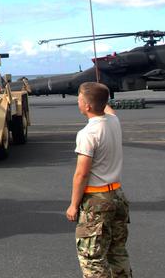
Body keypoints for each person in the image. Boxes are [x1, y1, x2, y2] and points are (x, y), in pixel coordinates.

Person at [66, 81, 132, 278]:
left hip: (97, 200)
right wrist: (102, 91)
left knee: (92, 258)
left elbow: (82, 174)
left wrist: (73, 204)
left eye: (79, 98)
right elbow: (107, 109)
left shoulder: (88, 134)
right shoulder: (113, 121)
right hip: (117, 196)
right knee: (117, 251)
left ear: (87, 106)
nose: (78, 101)